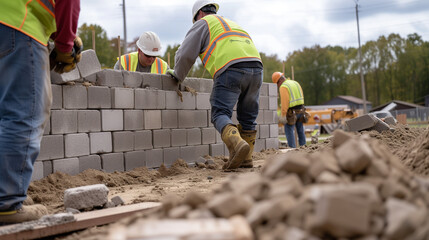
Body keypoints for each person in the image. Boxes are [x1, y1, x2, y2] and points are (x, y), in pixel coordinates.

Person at [0, 0, 81, 223]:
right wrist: (65, 44)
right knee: (24, 113)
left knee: (3, 114)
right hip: (19, 24)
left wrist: (60, 34)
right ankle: (6, 203)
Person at [167, 0, 263, 170]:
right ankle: (247, 159)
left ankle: (237, 143)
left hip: (230, 67)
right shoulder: (232, 23)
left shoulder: (203, 23)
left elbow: (185, 53)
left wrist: (178, 75)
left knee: (220, 112)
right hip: (256, 67)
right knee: (248, 116)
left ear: (200, 14)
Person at [272, 72, 307, 148]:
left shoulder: (283, 86)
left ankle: (292, 149)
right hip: (301, 110)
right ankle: (304, 148)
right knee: (300, 130)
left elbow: (285, 102)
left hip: (291, 112)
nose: (277, 86)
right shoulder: (295, 83)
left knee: (288, 129)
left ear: (279, 81)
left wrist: (283, 115)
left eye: (277, 84)